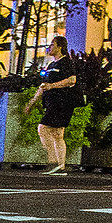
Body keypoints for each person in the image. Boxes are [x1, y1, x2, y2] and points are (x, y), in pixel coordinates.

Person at [36, 34, 77, 174]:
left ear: (60, 47)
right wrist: (32, 102)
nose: (49, 47)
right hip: (52, 103)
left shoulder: (66, 62)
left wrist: (52, 86)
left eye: (52, 45)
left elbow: (72, 80)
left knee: (43, 128)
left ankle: (52, 161)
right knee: (57, 134)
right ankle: (60, 166)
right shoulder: (51, 65)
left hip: (62, 103)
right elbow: (44, 85)